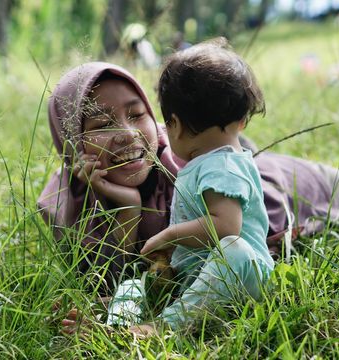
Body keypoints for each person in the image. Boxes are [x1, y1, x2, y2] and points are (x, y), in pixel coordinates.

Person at [38, 51, 339, 333]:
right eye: (103, 122)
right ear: (70, 139)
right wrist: (128, 208)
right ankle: (120, 330)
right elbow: (130, 276)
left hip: (281, 187)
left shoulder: (180, 159)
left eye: (137, 113)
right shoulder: (64, 204)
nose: (126, 134)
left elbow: (236, 236)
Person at [103, 38, 275, 333]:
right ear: (243, 121)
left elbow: (226, 228)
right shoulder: (207, 165)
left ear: (175, 125)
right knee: (136, 282)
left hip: (244, 274)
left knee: (233, 248)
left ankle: (164, 327)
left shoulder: (222, 166)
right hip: (202, 276)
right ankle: (117, 320)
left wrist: (171, 236)